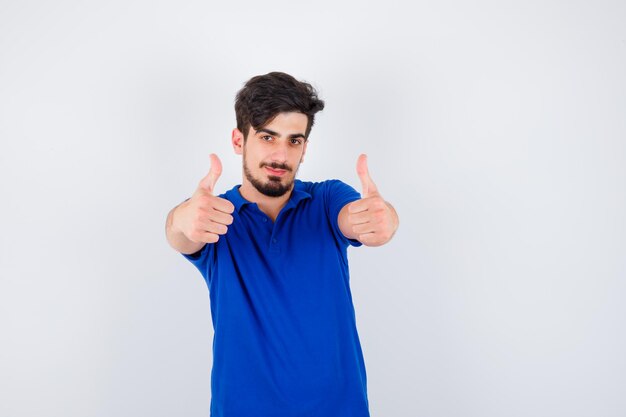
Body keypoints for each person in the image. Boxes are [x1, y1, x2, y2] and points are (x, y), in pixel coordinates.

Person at [165, 71, 399, 417]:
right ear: (238, 140)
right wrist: (183, 218)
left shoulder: (326, 199)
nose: (280, 155)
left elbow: (359, 218)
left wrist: (382, 220)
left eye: (294, 140)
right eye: (267, 137)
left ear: (304, 148)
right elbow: (181, 233)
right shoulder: (215, 215)